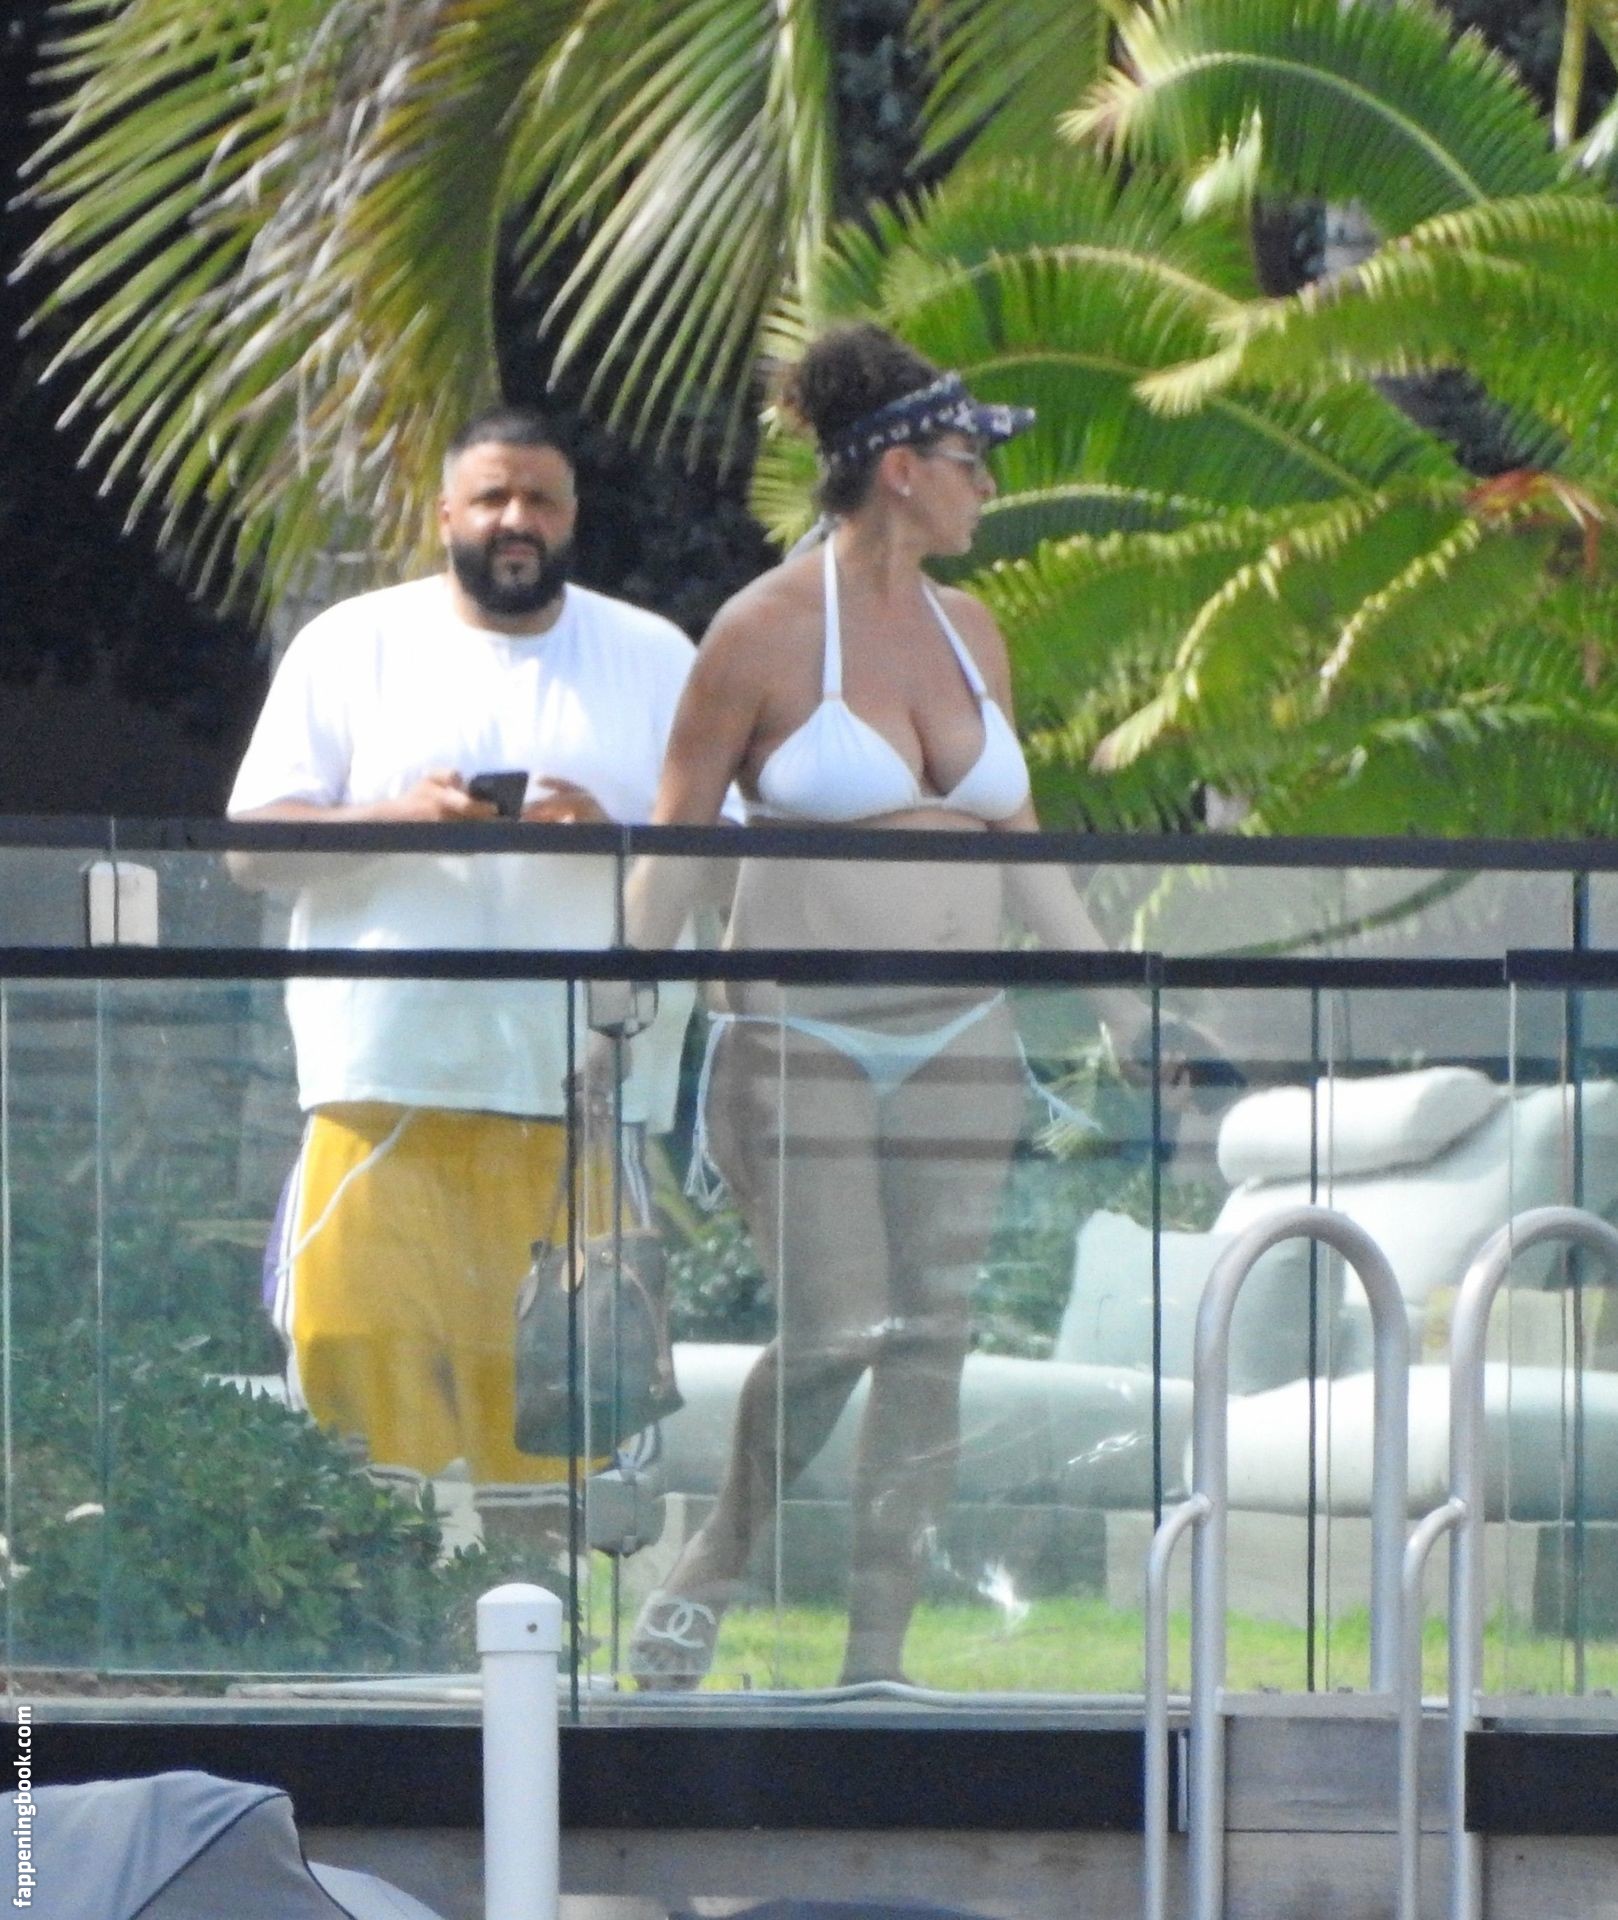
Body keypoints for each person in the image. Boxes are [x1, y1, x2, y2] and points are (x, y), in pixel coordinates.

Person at [620, 324, 1155, 1688]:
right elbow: (673, 841)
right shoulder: (759, 631)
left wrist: (1119, 1007)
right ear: (901, 469)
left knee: (931, 1341)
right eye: (972, 462)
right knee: (838, 1329)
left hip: (961, 1032)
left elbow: (1020, 843)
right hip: (799, 1033)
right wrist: (612, 1015)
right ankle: (715, 1559)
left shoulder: (972, 631)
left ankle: (876, 1650)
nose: (989, 489)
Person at [228, 406, 707, 1564]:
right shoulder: (351, 643)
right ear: (445, 512)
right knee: (354, 1411)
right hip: (384, 1091)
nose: (514, 520)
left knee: (555, 1430)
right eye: (492, 497)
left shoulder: (652, 654)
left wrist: (609, 831)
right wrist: (397, 817)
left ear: (572, 517)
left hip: (580, 1098)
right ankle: (375, 1644)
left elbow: (722, 857)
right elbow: (251, 849)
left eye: (540, 499)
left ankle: (533, 1658)